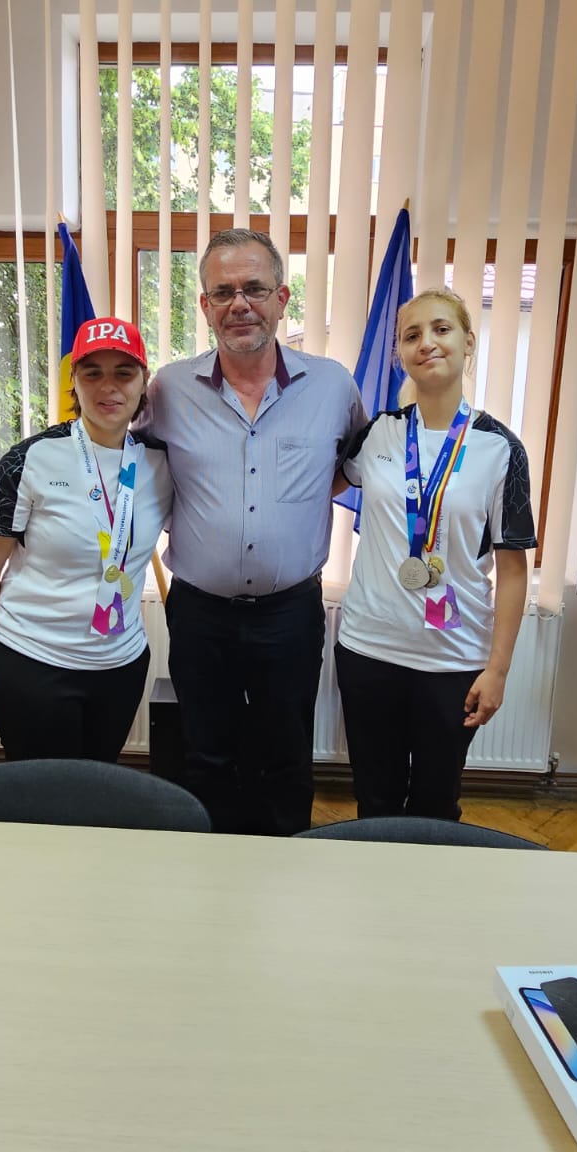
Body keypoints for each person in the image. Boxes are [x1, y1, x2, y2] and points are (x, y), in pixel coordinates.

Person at [141, 228, 365, 836]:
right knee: (205, 753)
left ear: (282, 298)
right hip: (200, 613)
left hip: (289, 612)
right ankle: (211, 873)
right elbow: (133, 466)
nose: (239, 304)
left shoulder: (333, 386)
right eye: (223, 292)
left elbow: (348, 466)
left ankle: (284, 870)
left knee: (285, 756)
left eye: (254, 289)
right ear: (205, 305)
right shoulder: (168, 389)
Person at [334, 288, 536, 821]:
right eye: (412, 335)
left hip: (453, 661)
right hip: (369, 651)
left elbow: (513, 571)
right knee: (375, 803)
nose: (427, 343)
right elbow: (318, 484)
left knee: (435, 806)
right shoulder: (377, 433)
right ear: (400, 353)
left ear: (468, 342)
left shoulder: (501, 449)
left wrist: (498, 670)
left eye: (441, 329)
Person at [0, 318, 172, 763]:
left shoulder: (163, 464)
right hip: (31, 660)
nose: (108, 386)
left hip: (119, 666)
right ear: (73, 380)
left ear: (144, 382)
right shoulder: (28, 460)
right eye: (92, 373)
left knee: (95, 784)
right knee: (41, 793)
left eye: (123, 373)